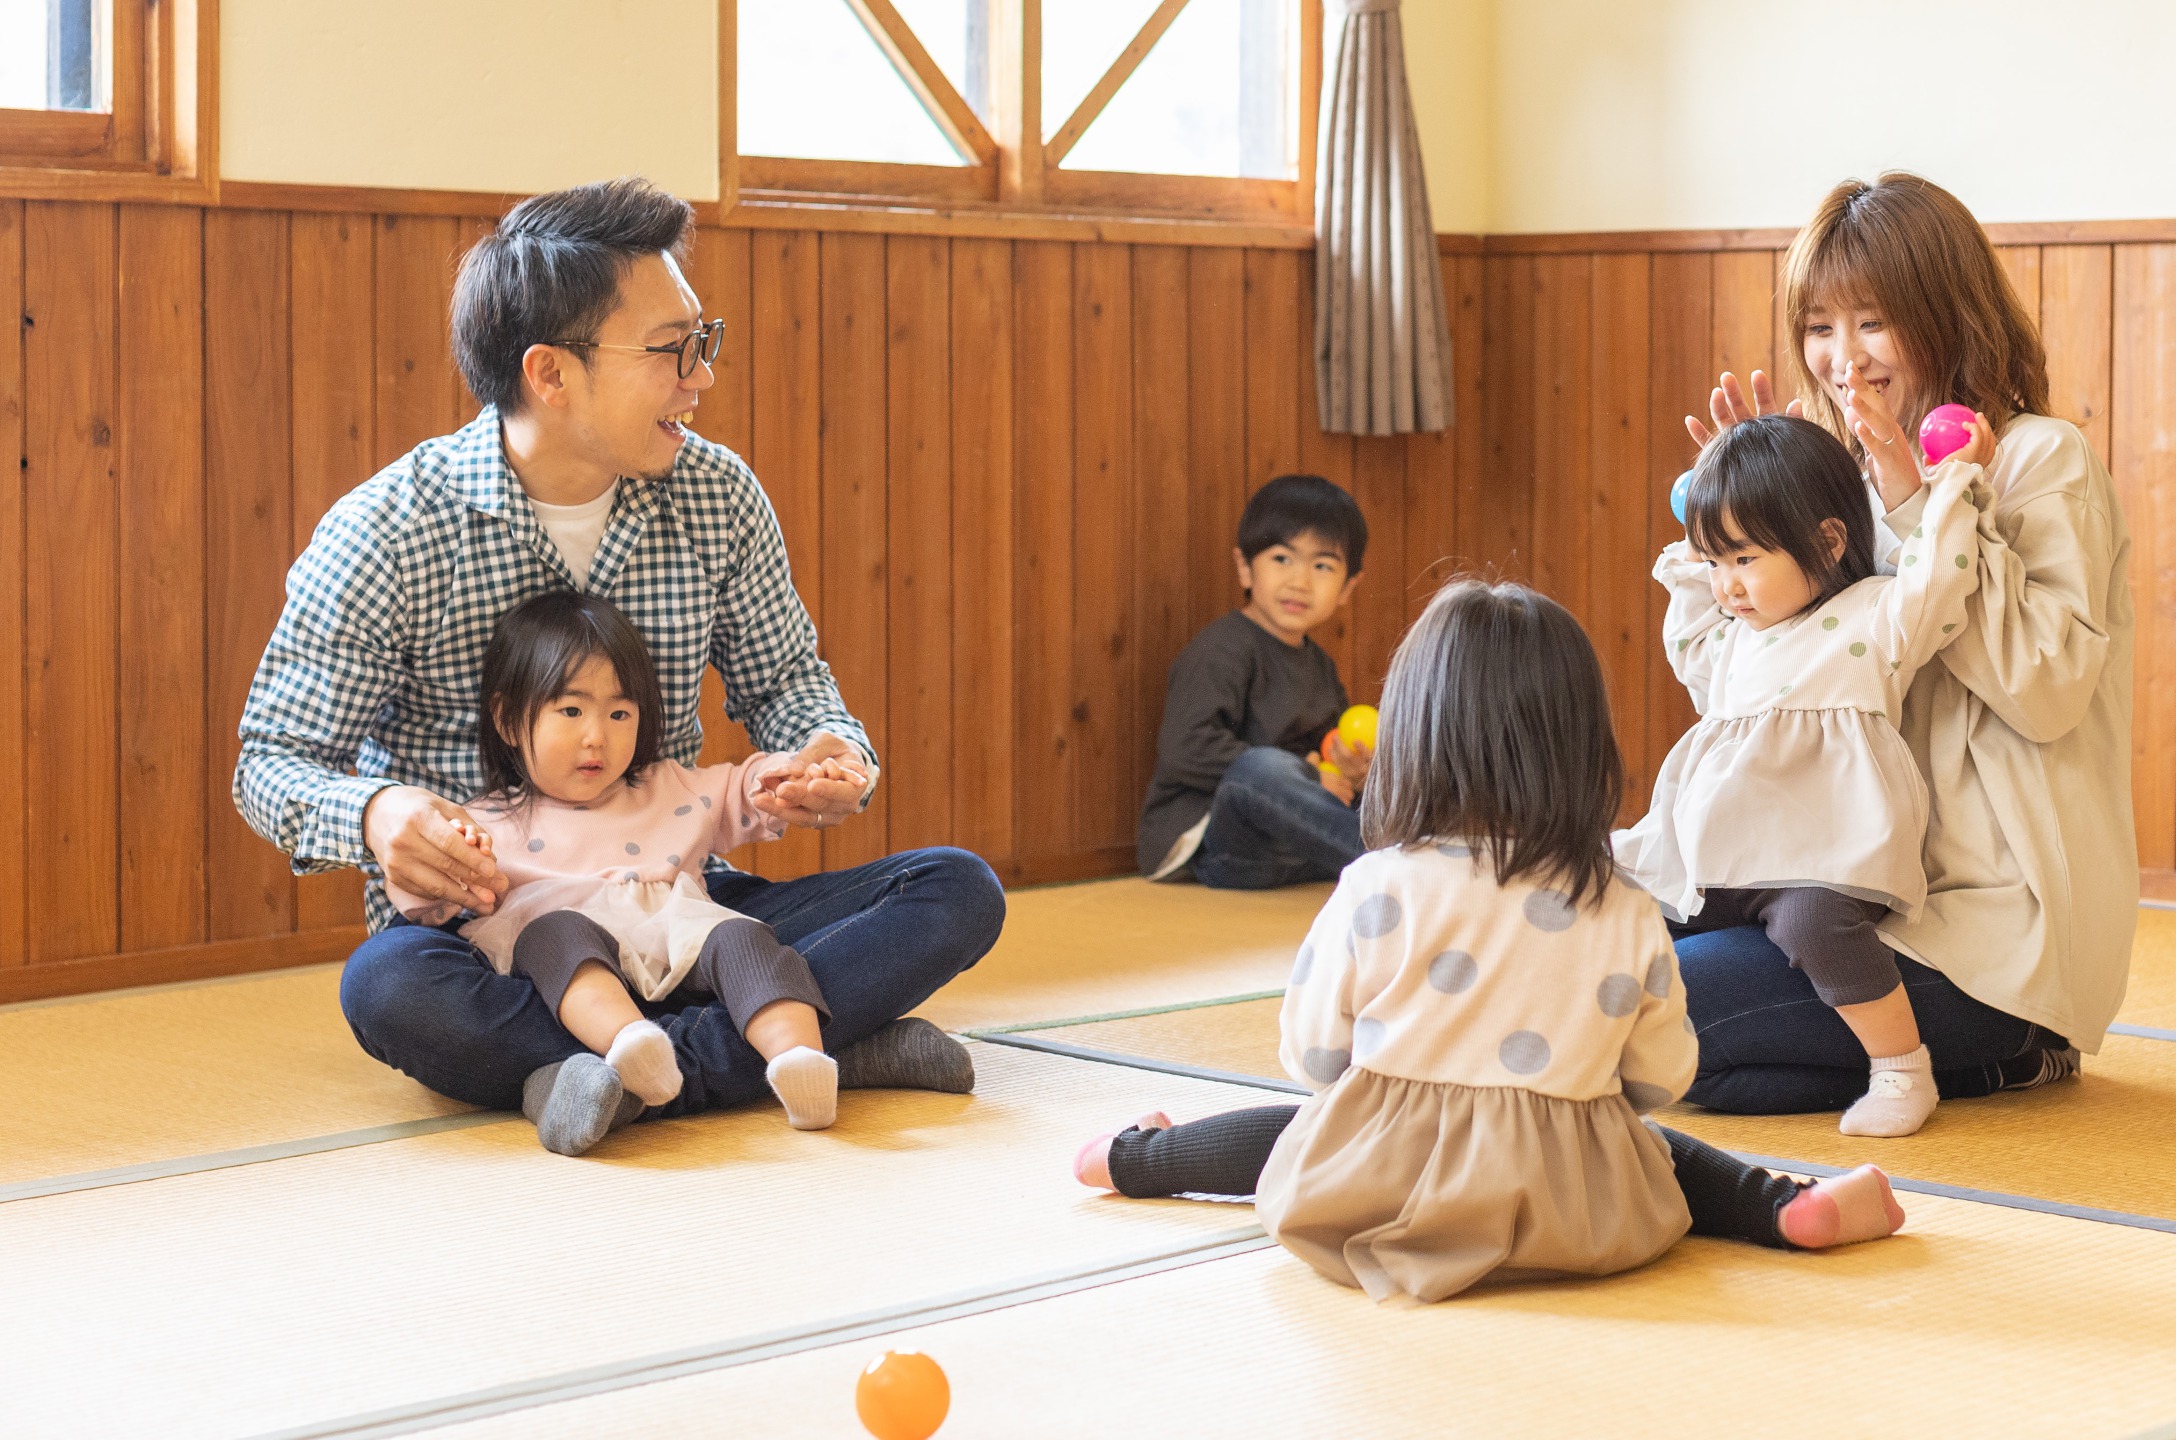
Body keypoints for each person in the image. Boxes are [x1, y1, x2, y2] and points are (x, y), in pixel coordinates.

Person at [233, 177, 1004, 1154]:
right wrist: (378, 813)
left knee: (954, 889)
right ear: (551, 374)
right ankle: (805, 1044)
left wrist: (827, 751)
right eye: (671, 350)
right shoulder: (387, 528)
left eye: (702, 339)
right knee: (387, 989)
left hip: (685, 910)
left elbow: (783, 683)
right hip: (497, 940)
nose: (701, 376)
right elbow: (271, 761)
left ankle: (607, 1074)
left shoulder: (716, 495)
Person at [1076, 580, 1905, 1304]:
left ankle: (1136, 1160)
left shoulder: (1375, 886)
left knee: (1319, 1124)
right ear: (1581, 747)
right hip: (1581, 1218)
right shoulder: (1616, 899)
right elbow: (1661, 1078)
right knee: (1652, 1149)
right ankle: (1780, 1205)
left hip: (1375, 1202)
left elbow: (1313, 1060)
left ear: (1411, 735)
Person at [1677, 170, 2135, 1112]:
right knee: (1610, 963)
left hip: (1989, 939)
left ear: (1946, 313)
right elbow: (1757, 698)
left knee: (1656, 1009)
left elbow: (2044, 689)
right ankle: (1921, 1070)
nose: (1846, 356)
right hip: (1839, 893)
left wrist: (1918, 499)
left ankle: (2005, 1051)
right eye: (1820, 326)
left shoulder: (2040, 457)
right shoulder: (1829, 477)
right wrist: (1743, 526)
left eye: (1873, 320)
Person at [1615, 414, 1992, 1136]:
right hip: (1723, 855)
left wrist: (1952, 489)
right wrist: (1700, 558)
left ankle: (1903, 1068)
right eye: (1716, 563)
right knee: (1627, 897)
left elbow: (1935, 583)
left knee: (1819, 924)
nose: (1729, 587)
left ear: (1827, 542)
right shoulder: (1737, 639)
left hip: (1820, 852)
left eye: (1746, 560)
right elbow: (1689, 647)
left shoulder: (1871, 616)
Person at [386, 593, 862, 1142]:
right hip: (568, 965)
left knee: (743, 936)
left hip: (676, 938)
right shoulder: (481, 822)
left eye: (619, 714)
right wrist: (444, 857)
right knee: (550, 935)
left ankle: (801, 1062)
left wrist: (792, 776)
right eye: (570, 711)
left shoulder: (669, 788)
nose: (597, 735)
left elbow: (747, 785)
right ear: (508, 720)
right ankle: (634, 1046)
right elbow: (423, 902)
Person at [1138, 474, 1374, 890]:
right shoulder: (1222, 648)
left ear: (1347, 588)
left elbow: (1328, 753)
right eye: (1282, 559)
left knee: (1396, 772)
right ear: (1246, 569)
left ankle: (1399, 851)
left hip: (1290, 851)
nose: (1300, 581)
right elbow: (1185, 747)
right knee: (1261, 768)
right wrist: (1304, 774)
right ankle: (1382, 862)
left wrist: (1355, 772)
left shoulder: (1320, 664)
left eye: (1321, 566)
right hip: (1215, 844)